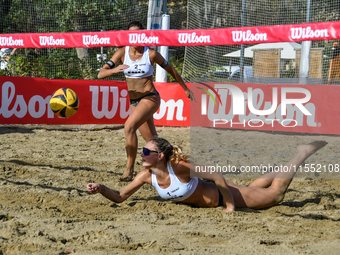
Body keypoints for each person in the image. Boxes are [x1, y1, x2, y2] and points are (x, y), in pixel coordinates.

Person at [87, 137, 327, 212]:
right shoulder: (145, 176)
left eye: (147, 151)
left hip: (224, 195)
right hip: (218, 194)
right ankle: (280, 169)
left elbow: (218, 177)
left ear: (160, 156)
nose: (142, 153)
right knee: (257, 190)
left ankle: (301, 154)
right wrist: (101, 189)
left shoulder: (179, 167)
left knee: (275, 196)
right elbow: (120, 196)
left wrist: (230, 207)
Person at [97, 21, 195, 181]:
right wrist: (115, 69)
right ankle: (183, 163)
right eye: (131, 34)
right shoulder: (122, 52)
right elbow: (101, 74)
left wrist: (185, 88)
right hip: (135, 103)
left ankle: (129, 170)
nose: (134, 37)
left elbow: (172, 70)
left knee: (128, 126)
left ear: (142, 35)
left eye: (137, 33)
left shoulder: (151, 54)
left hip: (150, 97)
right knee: (153, 141)